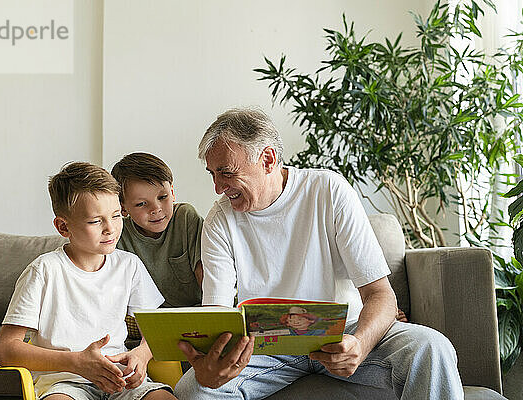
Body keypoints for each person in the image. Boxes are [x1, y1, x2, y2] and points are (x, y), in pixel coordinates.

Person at [173, 108, 463, 399]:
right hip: (262, 349)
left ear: (268, 160)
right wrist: (211, 368)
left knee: (431, 347)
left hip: (344, 333)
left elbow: (381, 295)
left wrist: (359, 345)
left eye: (226, 172)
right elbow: (218, 314)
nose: (218, 187)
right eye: (212, 174)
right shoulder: (218, 220)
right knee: (192, 390)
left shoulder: (329, 190)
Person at [0, 162, 176, 400]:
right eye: (95, 221)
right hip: (63, 382)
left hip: (119, 379)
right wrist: (76, 362)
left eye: (116, 216)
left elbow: (155, 331)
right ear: (63, 226)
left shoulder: (129, 266)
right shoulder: (43, 271)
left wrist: (142, 355)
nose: (110, 228)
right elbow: (5, 350)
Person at [111, 152, 203, 308]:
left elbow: (207, 276)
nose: (156, 209)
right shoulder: (118, 234)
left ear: (172, 193)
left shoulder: (185, 218)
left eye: (163, 197)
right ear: (122, 208)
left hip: (195, 311)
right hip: (146, 319)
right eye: (141, 204)